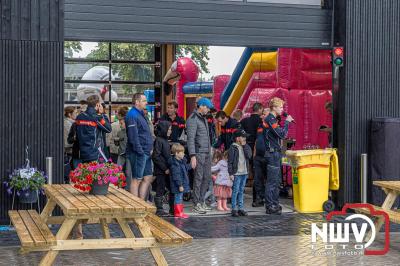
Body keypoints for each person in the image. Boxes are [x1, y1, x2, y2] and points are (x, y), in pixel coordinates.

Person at [263, 97, 294, 215]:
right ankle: (270, 205)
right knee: (272, 181)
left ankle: (275, 203)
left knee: (276, 181)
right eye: (280, 107)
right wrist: (287, 122)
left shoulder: (273, 119)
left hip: (276, 152)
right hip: (272, 153)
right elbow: (282, 134)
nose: (282, 109)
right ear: (274, 107)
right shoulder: (270, 119)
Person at [186, 97, 214, 214]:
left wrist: (210, 149)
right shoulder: (193, 119)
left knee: (207, 177)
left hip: (206, 152)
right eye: (207, 107)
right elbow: (190, 139)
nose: (208, 109)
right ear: (201, 106)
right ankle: (196, 203)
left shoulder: (203, 118)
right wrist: (192, 155)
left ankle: (201, 201)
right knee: (198, 178)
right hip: (198, 153)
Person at [126, 93, 154, 199]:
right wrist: (140, 152)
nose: (146, 102)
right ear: (137, 102)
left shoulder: (141, 114)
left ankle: (142, 204)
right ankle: (136, 207)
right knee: (136, 179)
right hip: (138, 152)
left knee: (147, 178)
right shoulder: (132, 115)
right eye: (144, 100)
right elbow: (133, 137)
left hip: (146, 152)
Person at [75, 95, 112, 163]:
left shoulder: (79, 117)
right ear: (97, 104)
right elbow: (108, 129)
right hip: (96, 154)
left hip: (82, 152)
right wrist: (101, 114)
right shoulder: (97, 117)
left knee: (85, 173)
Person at [240, 102, 264, 206]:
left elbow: (240, 133)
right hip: (258, 151)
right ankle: (259, 198)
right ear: (260, 109)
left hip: (246, 149)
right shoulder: (261, 121)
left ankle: (241, 198)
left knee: (245, 173)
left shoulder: (244, 121)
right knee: (259, 176)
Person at [228, 130, 252, 217]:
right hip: (236, 173)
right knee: (236, 191)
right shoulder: (233, 147)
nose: (245, 138)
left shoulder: (246, 146)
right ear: (237, 138)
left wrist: (244, 145)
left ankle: (241, 208)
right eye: (243, 137)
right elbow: (230, 161)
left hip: (244, 172)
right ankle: (234, 208)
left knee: (241, 190)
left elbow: (249, 156)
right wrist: (230, 173)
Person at [152, 121, 174, 216]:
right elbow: (156, 156)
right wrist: (164, 168)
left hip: (166, 169)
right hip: (161, 170)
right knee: (160, 188)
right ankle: (159, 209)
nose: (170, 131)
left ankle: (172, 208)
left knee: (170, 188)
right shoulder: (159, 140)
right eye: (169, 129)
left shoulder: (164, 140)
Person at [169, 143, 191, 218]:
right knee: (178, 198)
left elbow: (185, 169)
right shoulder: (175, 164)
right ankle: (178, 213)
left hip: (181, 185)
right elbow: (176, 176)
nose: (184, 154)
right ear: (176, 153)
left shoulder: (181, 162)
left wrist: (191, 165)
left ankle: (180, 212)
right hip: (178, 186)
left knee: (180, 198)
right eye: (182, 152)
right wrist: (180, 185)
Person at [114, 108, 132, 191]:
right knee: (118, 171)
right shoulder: (119, 132)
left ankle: (128, 189)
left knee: (129, 173)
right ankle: (119, 187)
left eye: (121, 123)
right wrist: (117, 140)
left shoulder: (130, 131)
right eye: (120, 123)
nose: (120, 125)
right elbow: (116, 143)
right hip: (121, 154)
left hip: (129, 154)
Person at [64, 106, 77, 183]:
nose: (76, 114)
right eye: (75, 113)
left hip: (68, 151)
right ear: (69, 114)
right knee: (68, 173)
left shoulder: (67, 122)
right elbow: (69, 140)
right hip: (68, 151)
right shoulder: (69, 124)